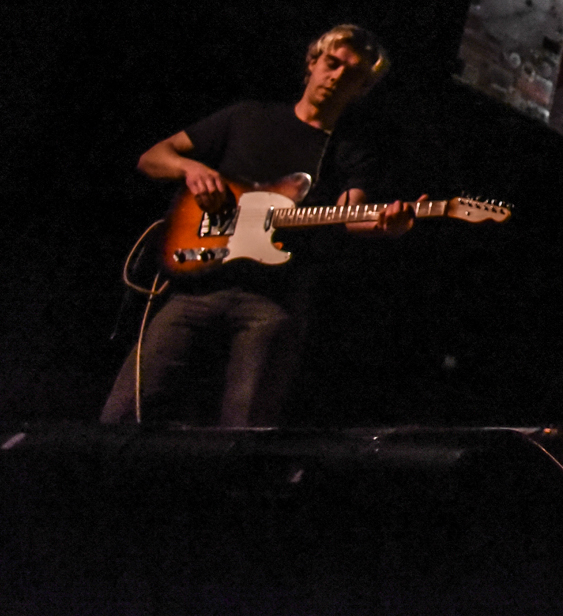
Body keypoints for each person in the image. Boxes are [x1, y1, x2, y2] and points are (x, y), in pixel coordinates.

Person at [102, 24, 420, 427]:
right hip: (196, 284)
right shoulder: (247, 116)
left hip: (273, 301)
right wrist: (191, 169)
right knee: (124, 413)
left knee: (246, 429)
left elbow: (349, 216)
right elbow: (152, 158)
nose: (337, 76)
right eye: (332, 63)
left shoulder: (352, 151)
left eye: (352, 73)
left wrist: (386, 226)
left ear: (362, 88)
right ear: (312, 62)